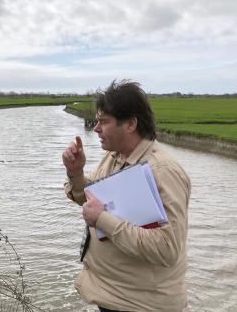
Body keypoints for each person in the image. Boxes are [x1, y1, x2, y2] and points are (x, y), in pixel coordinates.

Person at [62, 80, 190, 311]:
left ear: (131, 124)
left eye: (104, 121)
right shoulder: (115, 156)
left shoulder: (163, 172)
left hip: (140, 305)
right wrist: (76, 172)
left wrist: (102, 220)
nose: (96, 128)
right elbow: (91, 200)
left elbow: (167, 249)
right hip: (114, 296)